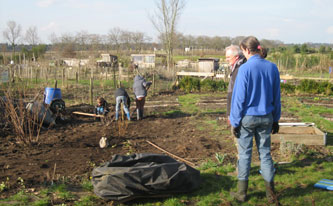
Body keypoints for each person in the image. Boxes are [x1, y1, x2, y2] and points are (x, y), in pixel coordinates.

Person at [229, 36, 281, 203]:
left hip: (247, 118)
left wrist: (235, 122)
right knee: (265, 154)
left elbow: (238, 99)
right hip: (266, 117)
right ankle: (271, 195)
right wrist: (276, 119)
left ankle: (242, 194)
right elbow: (276, 97)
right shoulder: (272, 68)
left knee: (244, 155)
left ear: (245, 50)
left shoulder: (244, 69)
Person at [225, 45, 247, 158]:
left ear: (236, 57)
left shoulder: (240, 69)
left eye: (228, 57)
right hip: (237, 111)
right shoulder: (236, 68)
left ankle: (242, 169)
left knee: (240, 141)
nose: (226, 60)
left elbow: (235, 95)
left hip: (239, 112)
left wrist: (231, 114)